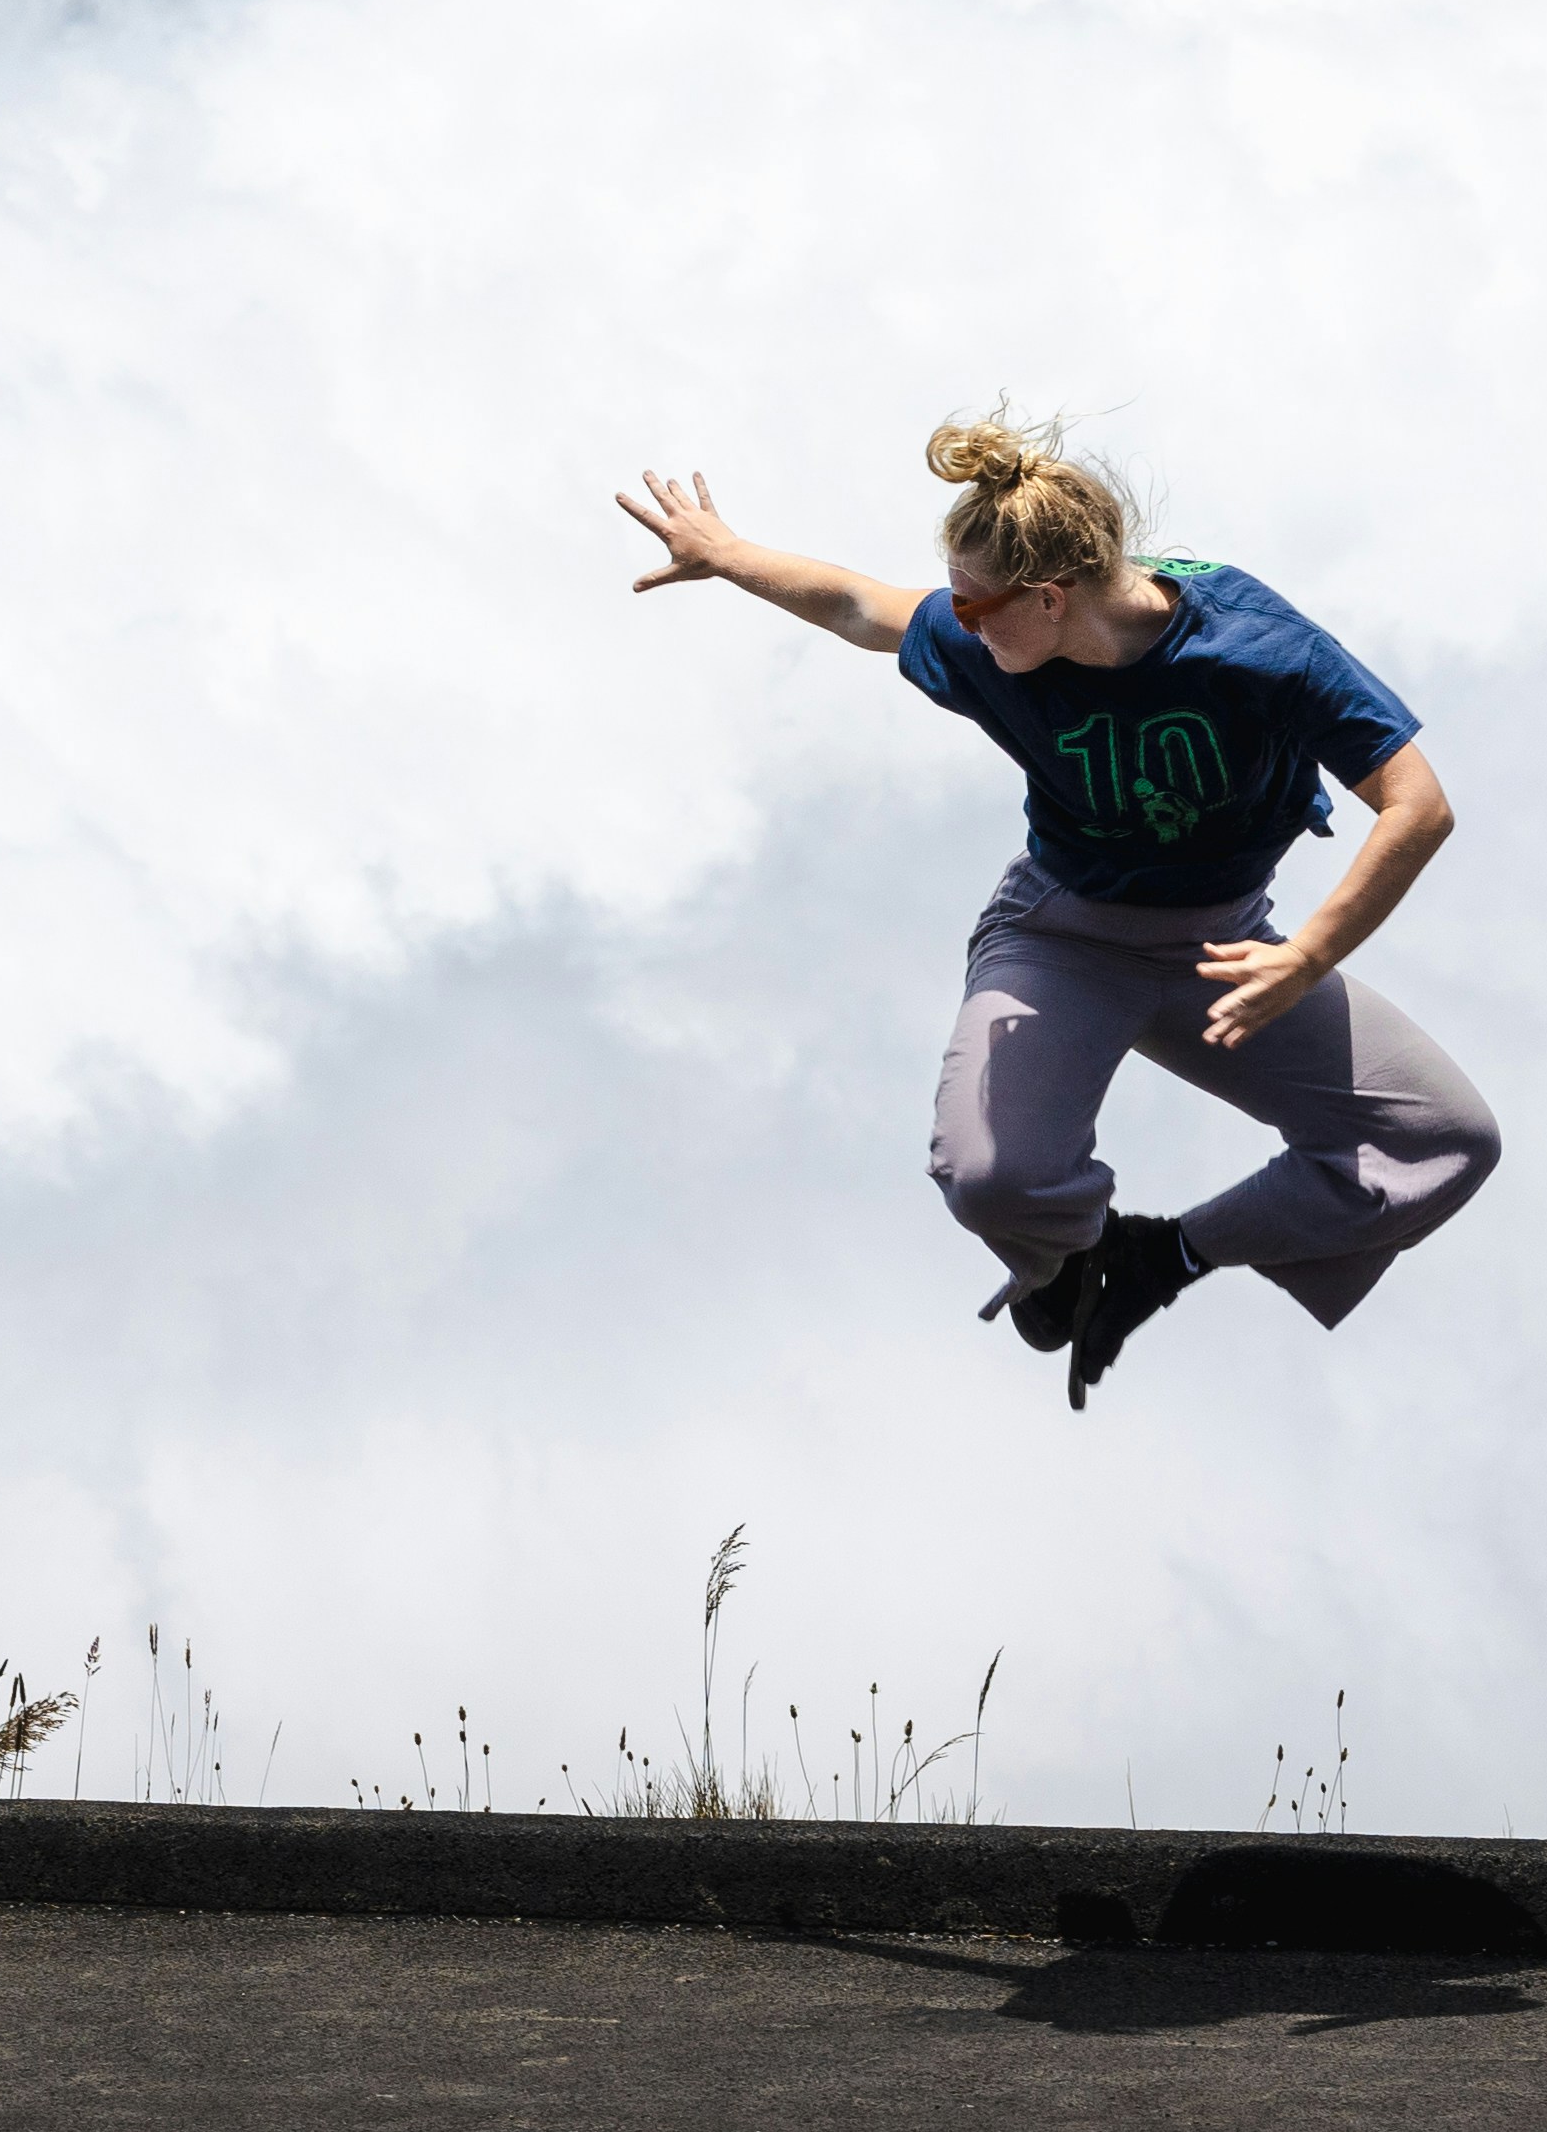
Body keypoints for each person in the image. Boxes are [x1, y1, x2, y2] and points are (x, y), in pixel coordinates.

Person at [616, 414, 1500, 1408]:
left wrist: (1302, 957)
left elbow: (1416, 804)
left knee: (1443, 1142)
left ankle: (1159, 1260)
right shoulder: (992, 638)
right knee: (991, 1178)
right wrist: (728, 555)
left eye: (975, 605)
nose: (956, 622)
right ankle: (1071, 1260)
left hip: (1227, 953)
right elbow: (864, 608)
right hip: (1062, 936)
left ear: (1049, 597)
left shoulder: (1261, 651)